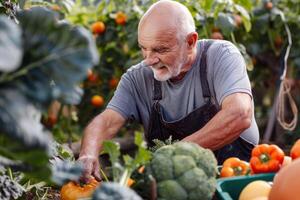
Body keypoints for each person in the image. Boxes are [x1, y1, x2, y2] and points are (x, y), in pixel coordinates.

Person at [78, 0, 259, 182]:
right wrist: (88, 153)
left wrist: (176, 152)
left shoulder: (221, 56)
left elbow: (239, 114)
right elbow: (106, 121)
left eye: (160, 49)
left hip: (235, 182)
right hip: (173, 189)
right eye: (143, 48)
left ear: (190, 42)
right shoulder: (136, 79)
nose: (149, 60)